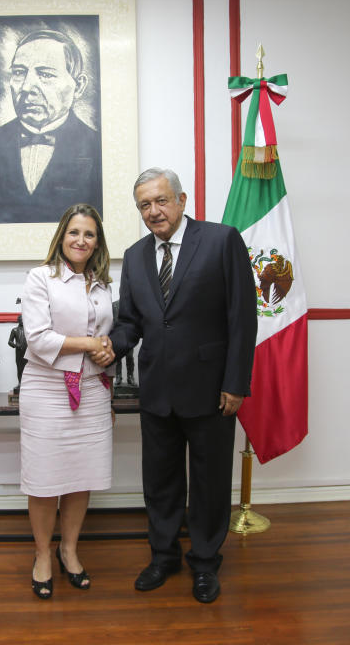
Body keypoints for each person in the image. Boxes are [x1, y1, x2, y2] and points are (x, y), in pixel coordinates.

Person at [93, 168, 256, 603]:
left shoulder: (222, 241)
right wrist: (111, 346)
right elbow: (131, 321)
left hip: (212, 390)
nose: (154, 211)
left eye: (161, 200)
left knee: (209, 482)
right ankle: (163, 556)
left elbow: (242, 318)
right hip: (158, 390)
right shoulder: (135, 256)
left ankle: (204, 562)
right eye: (144, 205)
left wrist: (236, 382)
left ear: (181, 200)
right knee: (160, 481)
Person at [19, 203, 115, 599]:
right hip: (46, 388)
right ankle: (43, 555)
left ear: (97, 243)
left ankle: (69, 549)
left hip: (92, 389)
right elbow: (38, 338)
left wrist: (107, 348)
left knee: (81, 476)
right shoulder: (40, 278)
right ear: (62, 236)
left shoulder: (103, 283)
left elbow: (108, 332)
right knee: (44, 480)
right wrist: (92, 343)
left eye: (89, 234)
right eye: (74, 232)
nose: (81, 240)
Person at [0, 29, 103, 224]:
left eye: (45, 74)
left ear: (79, 85)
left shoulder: (98, 147)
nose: (26, 87)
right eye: (19, 73)